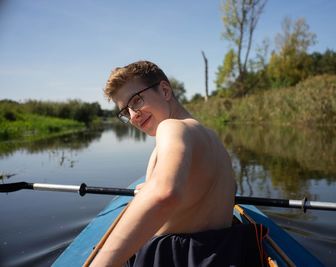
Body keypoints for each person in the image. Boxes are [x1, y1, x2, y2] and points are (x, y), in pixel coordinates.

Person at [90, 61, 264, 267]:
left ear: (164, 90)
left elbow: (165, 194)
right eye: (125, 112)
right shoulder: (212, 137)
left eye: (136, 101)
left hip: (176, 258)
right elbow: (219, 189)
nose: (133, 115)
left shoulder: (171, 127)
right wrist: (151, 186)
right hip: (224, 255)